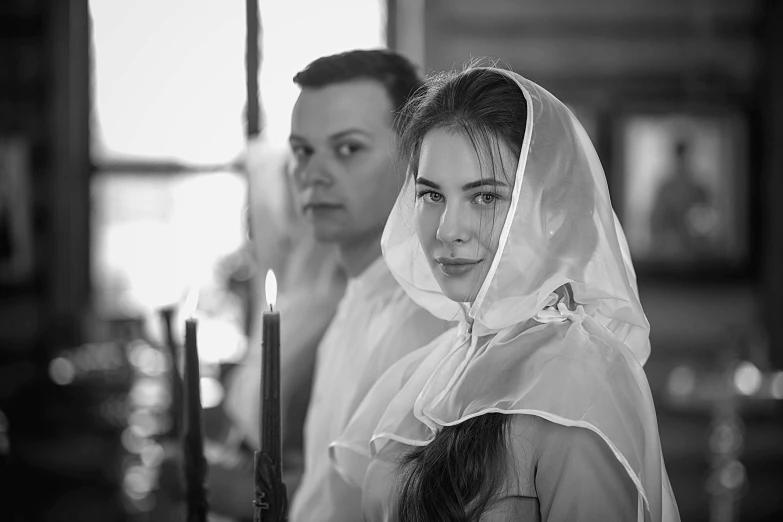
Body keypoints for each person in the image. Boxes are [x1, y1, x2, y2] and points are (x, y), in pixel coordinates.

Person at [331, 66, 680, 521]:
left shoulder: (580, 381)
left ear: (551, 212)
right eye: (431, 195)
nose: (448, 230)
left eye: (486, 198)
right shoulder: (428, 370)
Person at [226, 49, 453, 522]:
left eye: (348, 148)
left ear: (414, 154)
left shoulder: (421, 323)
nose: (313, 173)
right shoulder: (356, 297)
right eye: (303, 151)